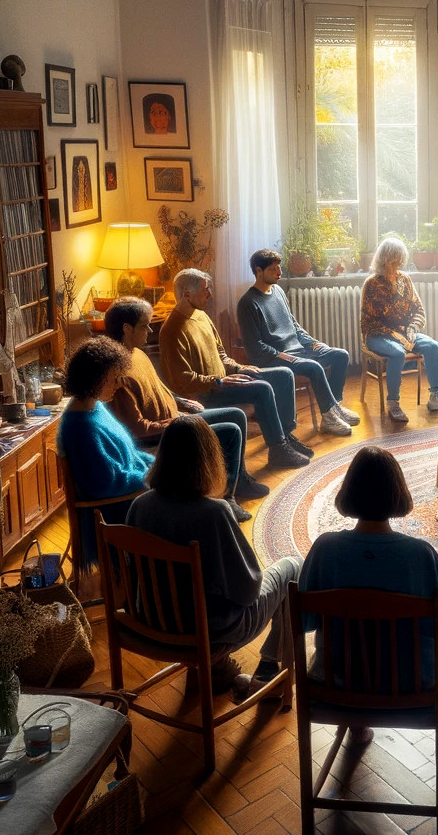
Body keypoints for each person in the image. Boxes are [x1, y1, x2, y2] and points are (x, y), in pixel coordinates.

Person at [298, 445, 438, 743]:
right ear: (398, 493)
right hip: (411, 684)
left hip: (337, 682)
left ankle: (357, 724)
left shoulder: (324, 549)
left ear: (347, 492)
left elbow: (304, 621)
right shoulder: (420, 554)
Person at [127, 416, 300, 698]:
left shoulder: (140, 505)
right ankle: (268, 669)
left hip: (151, 620)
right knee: (292, 567)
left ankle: (216, 670)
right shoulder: (214, 512)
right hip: (208, 629)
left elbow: (133, 571)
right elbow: (246, 591)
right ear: (208, 459)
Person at [104, 296, 268, 522]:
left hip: (176, 420)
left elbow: (161, 390)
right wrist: (178, 422)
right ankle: (226, 498)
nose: (150, 330)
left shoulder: (138, 353)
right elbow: (140, 429)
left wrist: (182, 401)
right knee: (231, 431)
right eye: (144, 326)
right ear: (126, 328)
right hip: (166, 435)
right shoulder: (118, 372)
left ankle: (238, 481)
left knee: (236, 415)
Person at [159, 268, 310, 470]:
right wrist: (219, 381)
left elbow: (221, 355)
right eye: (205, 290)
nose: (210, 295)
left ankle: (284, 436)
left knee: (283, 374)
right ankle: (279, 448)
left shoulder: (201, 316)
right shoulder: (171, 330)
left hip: (224, 382)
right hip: (207, 394)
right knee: (262, 388)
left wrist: (240, 368)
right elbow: (182, 380)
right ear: (187, 293)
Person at [237, 248, 359, 438]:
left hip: (298, 350)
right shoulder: (247, 303)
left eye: (279, 267)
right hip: (273, 358)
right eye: (273, 269)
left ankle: (335, 406)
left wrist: (312, 343)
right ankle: (328, 417)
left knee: (340, 355)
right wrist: (281, 354)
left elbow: (293, 325)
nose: (279, 273)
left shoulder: (277, 291)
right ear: (258, 270)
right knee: (314, 367)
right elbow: (255, 346)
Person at [57, 338, 154, 571]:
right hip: (112, 510)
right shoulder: (82, 426)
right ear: (95, 379)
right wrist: (151, 476)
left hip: (129, 492)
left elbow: (129, 454)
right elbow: (104, 483)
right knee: (180, 511)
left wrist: (155, 466)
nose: (117, 384)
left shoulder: (93, 406)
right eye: (112, 379)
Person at [360, 237, 438, 423]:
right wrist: (396, 335)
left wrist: (413, 328)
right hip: (378, 336)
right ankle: (393, 403)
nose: (396, 264)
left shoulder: (405, 280)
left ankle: (436, 395)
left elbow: (418, 309)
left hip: (405, 333)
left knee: (433, 346)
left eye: (399, 259)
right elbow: (368, 324)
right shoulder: (371, 284)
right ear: (384, 259)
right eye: (393, 259)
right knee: (397, 353)